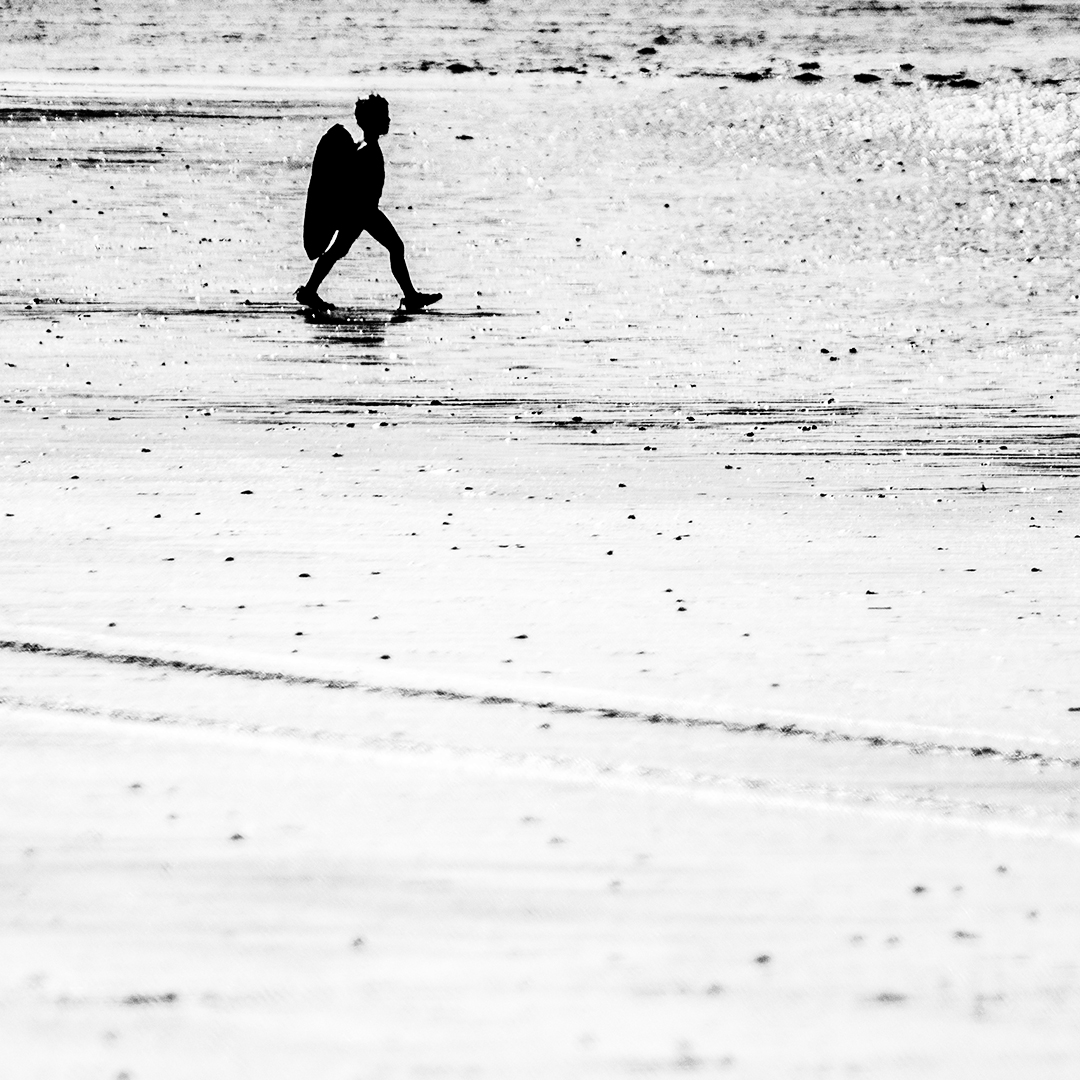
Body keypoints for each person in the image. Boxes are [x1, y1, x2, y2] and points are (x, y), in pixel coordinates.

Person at [296, 94, 441, 313]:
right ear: (372, 121)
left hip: (361, 212)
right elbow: (350, 184)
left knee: (338, 251)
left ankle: (309, 290)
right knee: (395, 246)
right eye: (384, 117)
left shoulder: (363, 147)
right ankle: (410, 297)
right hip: (363, 212)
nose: (389, 121)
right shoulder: (365, 150)